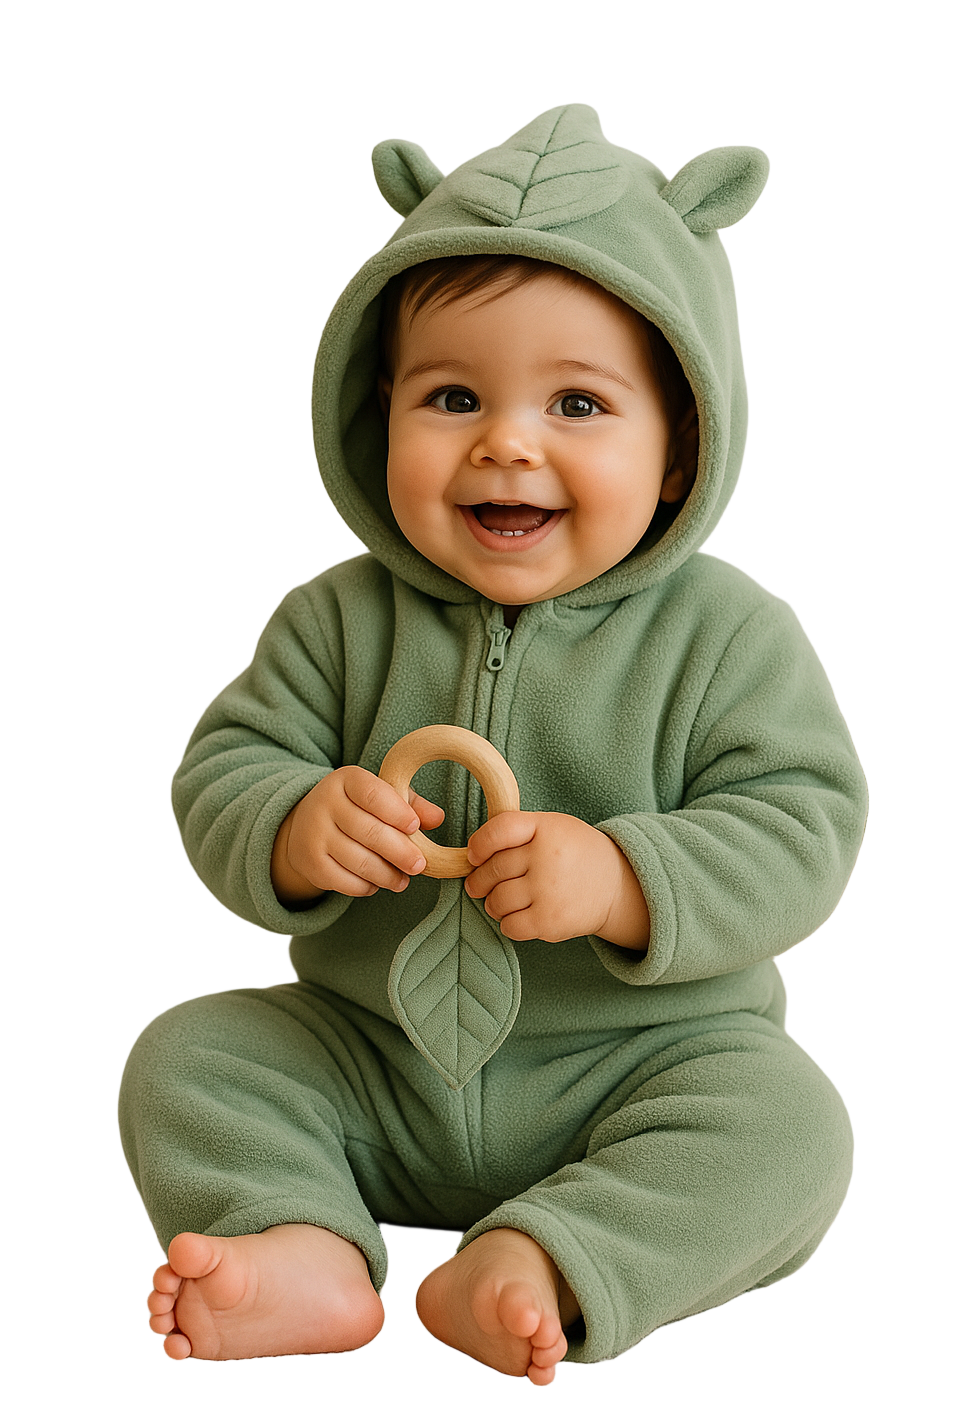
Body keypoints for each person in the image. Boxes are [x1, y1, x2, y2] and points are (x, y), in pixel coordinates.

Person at [119, 102, 867, 1384]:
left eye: (578, 402)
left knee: (792, 1126)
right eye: (452, 396)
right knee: (189, 1053)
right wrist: (296, 826)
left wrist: (625, 879)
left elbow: (803, 822)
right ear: (380, 414)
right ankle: (300, 1241)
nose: (505, 441)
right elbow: (223, 770)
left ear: (679, 445)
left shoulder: (730, 633)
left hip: (637, 1072)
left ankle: (548, 1259)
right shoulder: (336, 618)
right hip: (367, 1057)